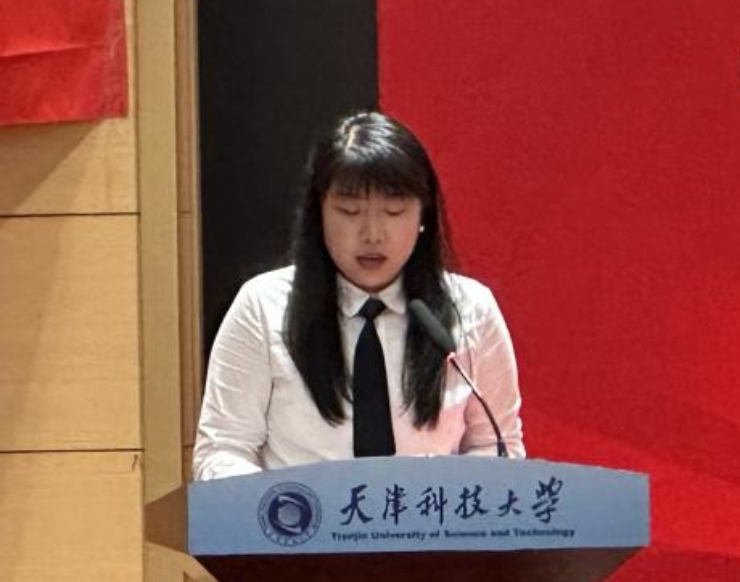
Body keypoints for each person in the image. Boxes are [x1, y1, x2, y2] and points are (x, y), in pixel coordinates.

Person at [193, 111, 524, 480]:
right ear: (319, 213)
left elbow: (498, 444)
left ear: (423, 216)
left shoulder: (471, 309)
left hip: (429, 517)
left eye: (394, 211)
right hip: (301, 515)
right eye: (350, 211)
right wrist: (279, 506)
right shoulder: (262, 307)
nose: (372, 234)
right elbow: (223, 448)